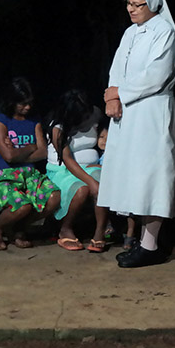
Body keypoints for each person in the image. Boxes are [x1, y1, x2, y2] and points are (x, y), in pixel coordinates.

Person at [101, 0, 175, 269]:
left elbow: (156, 76)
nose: (132, 9)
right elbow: (117, 68)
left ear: (153, 4)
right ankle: (138, 240)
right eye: (129, 3)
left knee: (152, 175)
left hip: (151, 112)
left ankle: (151, 244)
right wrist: (112, 98)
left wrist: (119, 94)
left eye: (138, 4)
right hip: (127, 114)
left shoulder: (165, 34)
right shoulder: (129, 33)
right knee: (131, 174)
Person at [0, 77, 60, 251]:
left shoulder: (33, 120)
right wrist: (30, 147)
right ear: (11, 101)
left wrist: (18, 153)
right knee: (22, 205)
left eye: (30, 103)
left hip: (27, 174)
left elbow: (43, 152)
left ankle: (18, 227)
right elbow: (8, 156)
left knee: (53, 197)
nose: (27, 107)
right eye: (22, 104)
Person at [44, 89, 107, 252]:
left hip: (91, 165)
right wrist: (90, 181)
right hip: (63, 170)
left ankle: (100, 231)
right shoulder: (57, 127)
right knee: (82, 189)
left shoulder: (96, 114)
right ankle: (66, 228)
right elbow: (68, 160)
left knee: (102, 183)